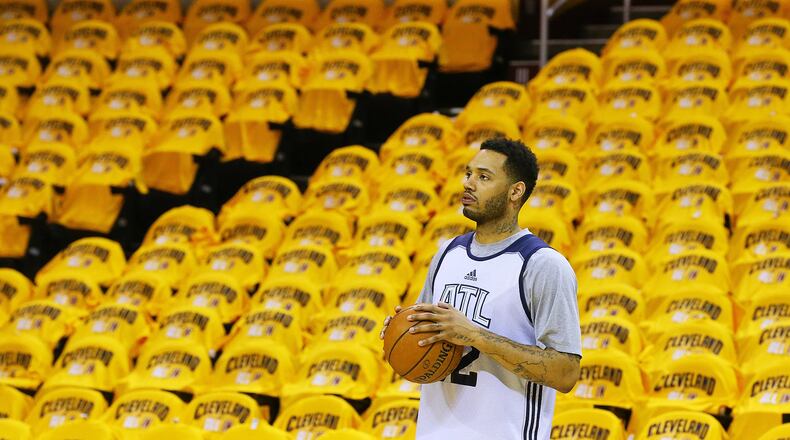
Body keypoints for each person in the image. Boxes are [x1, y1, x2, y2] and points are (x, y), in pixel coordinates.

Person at [380, 138, 582, 440]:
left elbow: (566, 373)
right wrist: (404, 331)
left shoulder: (542, 265)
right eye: (468, 174)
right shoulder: (447, 253)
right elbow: (423, 345)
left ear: (516, 191)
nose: (469, 184)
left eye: (484, 177)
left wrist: (474, 335)